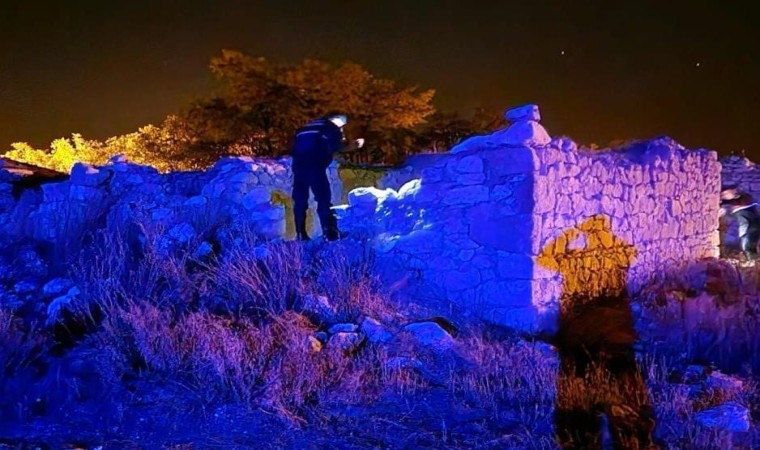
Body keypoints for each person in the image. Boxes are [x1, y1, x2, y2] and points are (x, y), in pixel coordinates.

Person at [290, 113, 364, 241]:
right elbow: (338, 146)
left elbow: (293, 147)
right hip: (315, 165)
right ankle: (330, 233)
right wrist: (353, 146)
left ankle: (301, 235)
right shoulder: (331, 127)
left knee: (300, 199)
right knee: (323, 198)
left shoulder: (305, 128)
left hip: (298, 165)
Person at [720, 186, 760, 261]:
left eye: (725, 194)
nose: (724, 196)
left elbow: (742, 205)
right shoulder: (733, 203)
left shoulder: (743, 199)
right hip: (749, 227)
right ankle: (752, 260)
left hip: (751, 228)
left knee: (748, 246)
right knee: (747, 245)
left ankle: (752, 261)